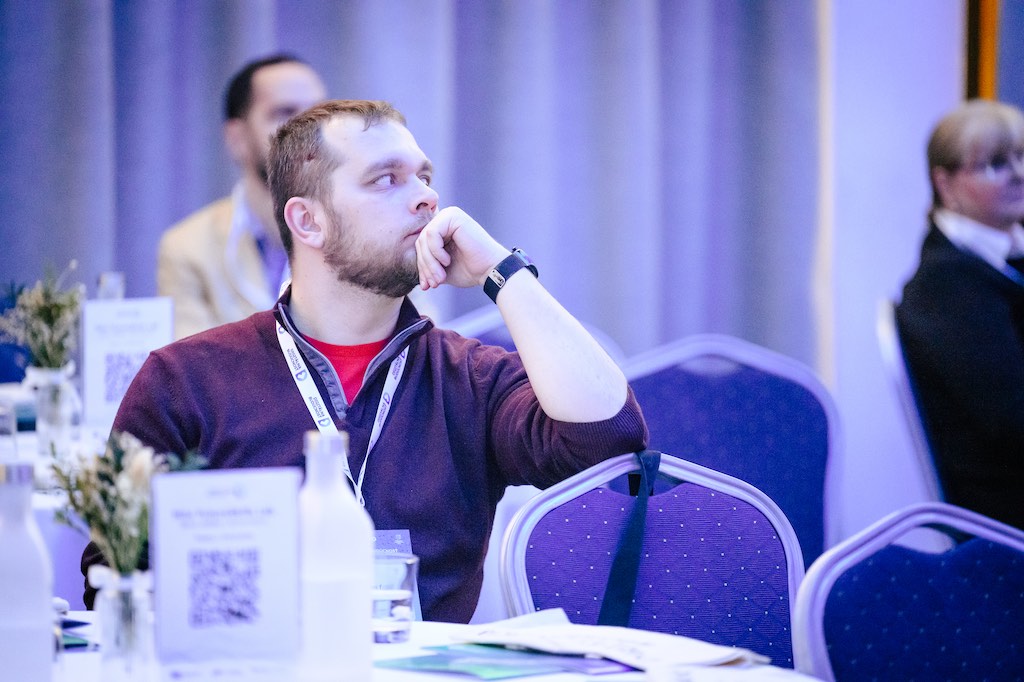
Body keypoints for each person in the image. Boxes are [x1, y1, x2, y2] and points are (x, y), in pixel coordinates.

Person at [82, 99, 648, 620]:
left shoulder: (469, 378)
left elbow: (610, 439)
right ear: (308, 221)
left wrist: (502, 273)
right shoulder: (185, 380)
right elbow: (117, 579)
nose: (426, 198)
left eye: (424, 177)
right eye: (386, 179)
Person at [897, 98, 1024, 530]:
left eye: (1021, 157)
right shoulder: (945, 285)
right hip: (1002, 515)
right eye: (996, 164)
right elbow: (1013, 422)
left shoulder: (1004, 260)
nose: (1018, 174)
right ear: (945, 184)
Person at [157, 54, 327, 340]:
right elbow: (193, 362)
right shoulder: (188, 248)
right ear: (237, 138)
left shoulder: (364, 234)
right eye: (285, 113)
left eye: (320, 114)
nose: (309, 130)